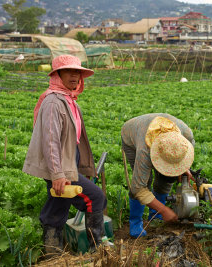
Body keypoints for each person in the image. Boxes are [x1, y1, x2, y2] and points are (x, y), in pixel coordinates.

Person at [23, 55, 107, 256]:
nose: (75, 76)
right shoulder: (54, 101)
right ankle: (98, 251)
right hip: (58, 166)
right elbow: (50, 141)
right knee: (95, 198)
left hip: (67, 163)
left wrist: (80, 167)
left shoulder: (69, 100)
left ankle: (53, 253)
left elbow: (74, 141)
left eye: (77, 72)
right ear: (57, 75)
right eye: (69, 71)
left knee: (58, 206)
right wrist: (58, 174)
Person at [121, 113, 195, 238]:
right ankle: (135, 222)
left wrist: (184, 167)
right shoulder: (144, 151)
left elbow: (188, 147)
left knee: (168, 177)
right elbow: (138, 189)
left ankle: (155, 215)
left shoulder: (186, 134)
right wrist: (165, 209)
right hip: (132, 136)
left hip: (156, 136)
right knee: (144, 181)